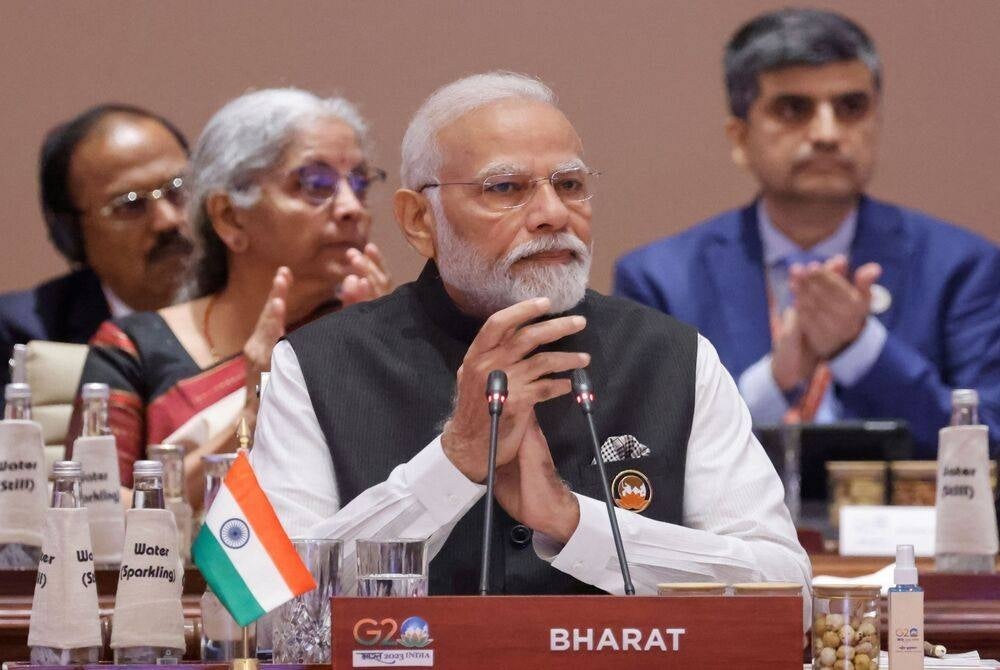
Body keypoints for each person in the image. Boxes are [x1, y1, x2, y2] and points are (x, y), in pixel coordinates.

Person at [251, 73, 810, 612]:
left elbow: (790, 596)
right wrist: (452, 465)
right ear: (420, 220)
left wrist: (573, 523)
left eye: (569, 184)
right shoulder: (317, 365)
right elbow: (266, 608)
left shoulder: (675, 359)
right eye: (506, 188)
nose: (551, 214)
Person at [614, 8, 999, 457]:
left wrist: (863, 351)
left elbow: (990, 439)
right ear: (740, 138)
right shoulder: (659, 280)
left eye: (851, 107)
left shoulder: (962, 267)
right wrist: (773, 382)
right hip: (725, 529)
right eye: (794, 109)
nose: (827, 133)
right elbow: (641, 454)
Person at [67, 88, 392, 503]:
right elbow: (90, 515)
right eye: (316, 184)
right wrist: (253, 417)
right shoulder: (132, 350)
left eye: (360, 183)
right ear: (229, 217)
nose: (351, 207)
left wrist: (383, 361)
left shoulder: (372, 334)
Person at [0, 104, 194, 387]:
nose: (167, 220)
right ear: (72, 234)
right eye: (130, 205)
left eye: (179, 189)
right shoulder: (26, 337)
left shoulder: (260, 308)